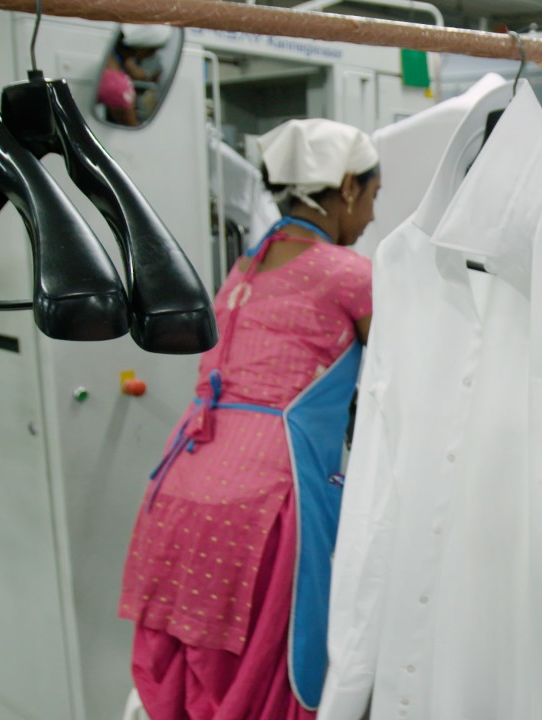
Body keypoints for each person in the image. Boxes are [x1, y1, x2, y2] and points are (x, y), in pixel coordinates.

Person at [119, 118, 380, 720]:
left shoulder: (244, 269)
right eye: (372, 197)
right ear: (345, 188)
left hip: (182, 480)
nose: (369, 218)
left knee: (200, 671)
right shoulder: (351, 276)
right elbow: (404, 386)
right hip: (263, 495)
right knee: (263, 672)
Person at [98, 24, 171, 127]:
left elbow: (135, 72)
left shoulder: (112, 55)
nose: (153, 55)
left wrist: (148, 78)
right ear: (142, 49)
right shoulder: (119, 87)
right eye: (154, 50)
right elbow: (131, 127)